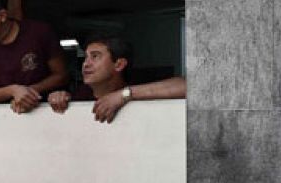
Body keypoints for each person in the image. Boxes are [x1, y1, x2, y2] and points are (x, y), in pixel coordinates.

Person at [47, 35, 186, 123]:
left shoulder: (137, 89)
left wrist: (124, 95)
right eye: (86, 57)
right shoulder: (80, 95)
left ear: (119, 64)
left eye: (95, 56)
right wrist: (59, 98)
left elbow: (187, 86)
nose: (86, 64)